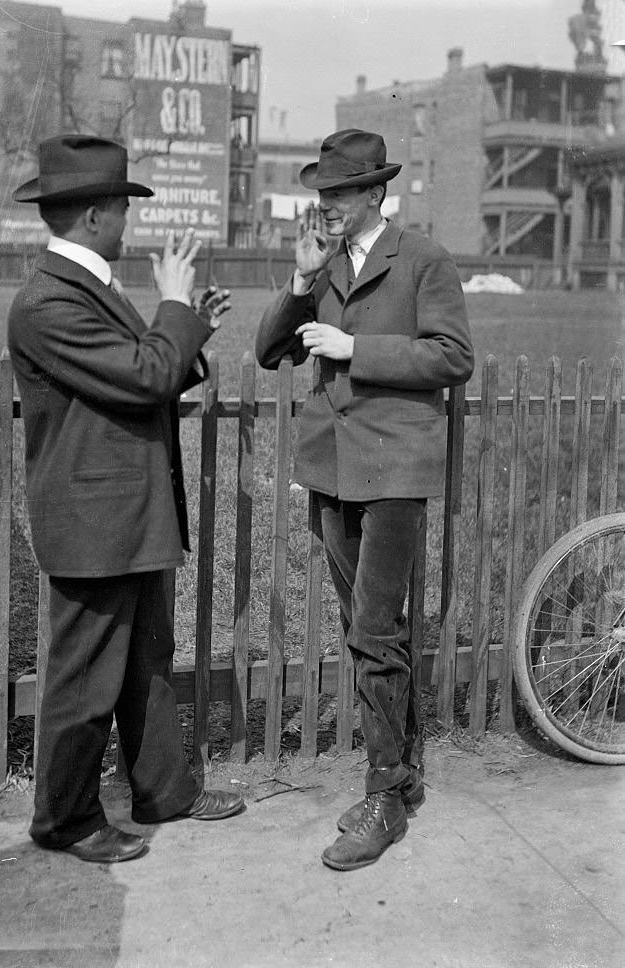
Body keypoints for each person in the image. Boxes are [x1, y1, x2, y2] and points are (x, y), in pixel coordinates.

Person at [9, 134, 243, 864]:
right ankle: (65, 821)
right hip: (94, 523)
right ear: (95, 215)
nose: (127, 223)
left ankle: (163, 791)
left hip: (126, 517)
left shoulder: (88, 288)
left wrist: (187, 322)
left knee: (146, 660)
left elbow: (147, 369)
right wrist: (173, 304)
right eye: (121, 208)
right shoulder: (48, 302)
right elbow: (144, 378)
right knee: (85, 682)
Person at [256, 129, 474, 872]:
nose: (329, 208)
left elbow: (452, 356)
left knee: (375, 627)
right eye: (322, 196)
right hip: (332, 468)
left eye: (341, 195)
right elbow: (266, 351)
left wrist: (357, 350)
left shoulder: (421, 261)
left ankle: (382, 796)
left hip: (393, 467)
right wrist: (296, 280)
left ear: (375, 194)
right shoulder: (321, 266)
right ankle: (401, 775)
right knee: (366, 626)